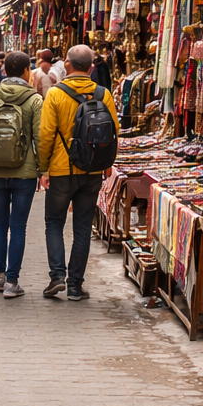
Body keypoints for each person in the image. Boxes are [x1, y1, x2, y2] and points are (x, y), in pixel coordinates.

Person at [37, 44, 119, 301]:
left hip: (61, 170)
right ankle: (75, 286)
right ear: (92, 67)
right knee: (83, 227)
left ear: (68, 65)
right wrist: (107, 165)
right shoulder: (103, 93)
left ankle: (57, 276)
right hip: (91, 171)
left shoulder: (55, 94)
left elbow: (46, 135)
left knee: (54, 223)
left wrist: (43, 168)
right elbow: (114, 132)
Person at [0, 51, 42, 299]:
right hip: (24, 173)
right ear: (26, 71)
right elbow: (39, 139)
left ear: (5, 70)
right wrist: (42, 170)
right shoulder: (34, 99)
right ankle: (13, 282)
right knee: (19, 226)